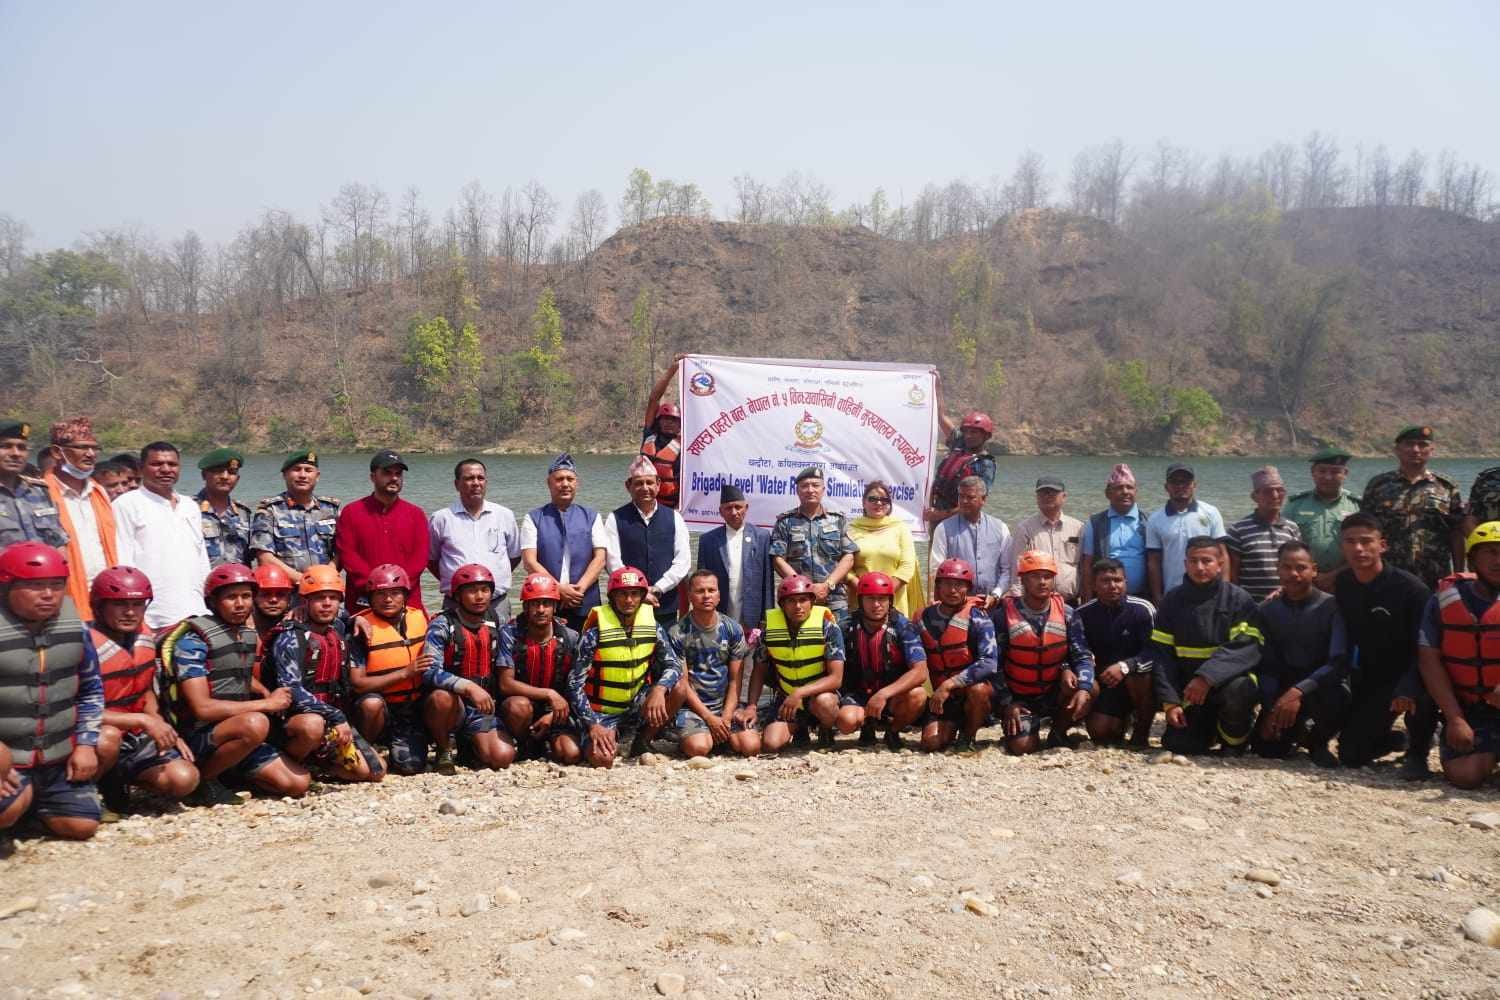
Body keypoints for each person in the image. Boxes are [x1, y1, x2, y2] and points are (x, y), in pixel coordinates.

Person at [159, 563, 310, 804]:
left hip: (233, 730)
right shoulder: (193, 641)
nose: (240, 604)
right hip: (199, 735)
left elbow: (233, 672)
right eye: (231, 597)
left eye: (246, 596)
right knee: (255, 723)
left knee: (298, 783)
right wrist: (266, 704)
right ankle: (204, 781)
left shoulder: (246, 634)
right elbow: (202, 708)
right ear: (213, 602)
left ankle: (230, 772)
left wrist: (262, 691)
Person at [0, 542, 103, 852]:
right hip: (9, 755)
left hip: (56, 754)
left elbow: (91, 689)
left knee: (82, 825)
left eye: (56, 586)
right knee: (6, 811)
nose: (48, 595)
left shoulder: (76, 629)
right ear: (7, 587)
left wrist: (85, 744)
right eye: (35, 586)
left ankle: (35, 805)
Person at [347, 564, 490, 775]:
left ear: (405, 596)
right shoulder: (360, 630)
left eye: (395, 593)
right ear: (370, 597)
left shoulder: (421, 619)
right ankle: (367, 748)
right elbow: (358, 684)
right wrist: (405, 673)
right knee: (370, 704)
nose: (388, 599)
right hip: (385, 707)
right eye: (381, 594)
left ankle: (443, 748)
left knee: (410, 765)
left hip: (415, 707)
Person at [89, 566, 200, 812]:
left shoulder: (144, 637)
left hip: (134, 734)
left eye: (138, 604)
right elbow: (72, 711)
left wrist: (163, 728)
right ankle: (87, 792)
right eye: (119, 604)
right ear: (99, 605)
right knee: (108, 738)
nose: (130, 612)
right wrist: (141, 719)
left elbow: (145, 690)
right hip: (94, 733)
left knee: (185, 779)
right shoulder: (82, 645)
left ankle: (120, 777)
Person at [1333, 512, 1437, 777]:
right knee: (1350, 756)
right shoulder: (1344, 583)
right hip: (1371, 677)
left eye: (1366, 541)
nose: (1358, 548)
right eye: (1350, 541)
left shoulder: (1411, 589)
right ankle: (1395, 740)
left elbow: (1427, 648)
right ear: (1341, 546)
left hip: (1413, 670)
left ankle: (1418, 753)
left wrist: (1409, 685)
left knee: (1424, 691)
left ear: (1383, 545)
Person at [263, 565, 383, 782]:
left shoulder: (337, 625)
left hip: (331, 714)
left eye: (333, 597)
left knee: (375, 771)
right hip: (297, 719)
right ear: (305, 601)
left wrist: (356, 618)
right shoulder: (290, 637)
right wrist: (335, 716)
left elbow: (344, 615)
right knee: (312, 725)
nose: (327, 603)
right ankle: (293, 761)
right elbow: (291, 690)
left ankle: (320, 763)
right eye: (319, 598)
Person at [1150, 536, 1263, 756]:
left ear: (1220, 564)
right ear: (1185, 564)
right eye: (1193, 561)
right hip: (1189, 691)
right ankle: (1207, 730)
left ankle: (1233, 740)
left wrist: (1206, 678)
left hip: (1226, 683)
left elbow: (1245, 647)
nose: (1199, 567)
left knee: (1240, 689)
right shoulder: (1172, 601)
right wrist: (1170, 702)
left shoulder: (1239, 599)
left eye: (1206, 561)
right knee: (1180, 746)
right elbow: (1161, 655)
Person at [568, 566, 686, 767]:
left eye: (634, 594)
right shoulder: (593, 634)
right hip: (601, 711)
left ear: (642, 596)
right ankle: (610, 735)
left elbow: (673, 664)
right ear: (612, 597)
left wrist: (659, 689)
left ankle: (642, 739)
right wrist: (593, 724)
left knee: (680, 688)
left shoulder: (653, 628)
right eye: (622, 594)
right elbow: (574, 685)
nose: (629, 600)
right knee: (602, 760)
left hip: (636, 705)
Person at [1417, 521, 1500, 790]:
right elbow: (1429, 659)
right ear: (1472, 558)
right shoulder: (1443, 600)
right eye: (1490, 552)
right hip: (1470, 705)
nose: (1498, 561)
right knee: (1466, 777)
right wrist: (1455, 718)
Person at [1251, 541, 1349, 767]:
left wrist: (1298, 692)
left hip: (1319, 685)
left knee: (1339, 694)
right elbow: (1266, 663)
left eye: (1301, 567)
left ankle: (1318, 741)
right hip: (1282, 687)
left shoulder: (1332, 607)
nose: (1293, 574)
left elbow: (1338, 661)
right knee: (1267, 749)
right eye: (1286, 567)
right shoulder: (1267, 610)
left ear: (1314, 570)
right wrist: (1270, 708)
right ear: (1277, 569)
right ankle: (1297, 734)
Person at [993, 551, 1095, 754]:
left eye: (1047, 576)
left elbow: (1082, 655)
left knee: (1092, 688)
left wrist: (1083, 687)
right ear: (1022, 579)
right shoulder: (1002, 616)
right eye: (1035, 576)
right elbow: (993, 665)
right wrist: (1008, 703)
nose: (1042, 582)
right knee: (1022, 748)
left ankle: (1058, 732)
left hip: (1053, 691)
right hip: (1018, 695)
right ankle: (1020, 727)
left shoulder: (1067, 614)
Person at [742, 575, 849, 754]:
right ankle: (799, 726)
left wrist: (800, 692)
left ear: (812, 602)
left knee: (826, 703)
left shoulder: (829, 628)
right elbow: (758, 672)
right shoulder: (768, 632)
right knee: (771, 744)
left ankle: (825, 728)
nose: (798, 606)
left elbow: (836, 679)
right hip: (787, 697)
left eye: (803, 600)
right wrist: (752, 706)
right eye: (791, 601)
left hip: (817, 696)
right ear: (782, 605)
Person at [421, 564, 514, 771]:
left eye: (485, 590)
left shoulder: (497, 622)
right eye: (471, 591)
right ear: (458, 595)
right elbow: (429, 670)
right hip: (453, 705)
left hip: (481, 707)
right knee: (440, 697)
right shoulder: (442, 624)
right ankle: (443, 749)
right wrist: (468, 687)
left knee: (502, 757)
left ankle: (468, 745)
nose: (479, 596)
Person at [112, 442, 211, 630]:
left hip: (196, 612)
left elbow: (201, 558)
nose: (165, 469)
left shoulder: (189, 505)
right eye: (156, 464)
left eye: (172, 464)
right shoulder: (126, 505)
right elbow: (122, 562)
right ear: (141, 469)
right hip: (152, 616)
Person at [1360, 425, 1466, 591]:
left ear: (1431, 450)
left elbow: (1456, 533)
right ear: (1397, 450)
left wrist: (1459, 574)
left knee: (1434, 617)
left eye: (1422, 444)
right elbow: (1365, 531)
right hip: (1388, 575)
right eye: (1409, 444)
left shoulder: (1447, 487)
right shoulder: (1378, 485)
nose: (1416, 450)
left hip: (1435, 577)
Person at [668, 569, 759, 758]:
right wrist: (709, 718)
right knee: (699, 748)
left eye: (711, 590)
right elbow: (683, 685)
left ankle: (720, 736)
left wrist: (725, 718)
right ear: (691, 596)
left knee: (751, 747)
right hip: (694, 708)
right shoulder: (678, 633)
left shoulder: (732, 629)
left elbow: (735, 681)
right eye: (700, 591)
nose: (706, 596)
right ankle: (693, 736)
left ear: (719, 595)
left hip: (725, 706)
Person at [497, 572, 583, 764]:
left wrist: (553, 715)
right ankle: (527, 743)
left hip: (556, 709)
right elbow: (505, 684)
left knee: (571, 754)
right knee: (518, 707)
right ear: (526, 607)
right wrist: (549, 694)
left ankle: (548, 738)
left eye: (546, 603)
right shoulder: (510, 634)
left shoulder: (571, 637)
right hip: (522, 705)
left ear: (555, 606)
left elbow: (577, 687)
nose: (541, 609)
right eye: (535, 604)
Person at [838, 571, 928, 750]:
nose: (876, 604)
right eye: (870, 599)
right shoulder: (846, 626)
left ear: (890, 601)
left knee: (918, 695)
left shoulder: (904, 626)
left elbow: (920, 671)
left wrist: (883, 694)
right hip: (859, 692)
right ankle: (867, 725)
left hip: (892, 695)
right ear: (861, 600)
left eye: (882, 599)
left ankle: (893, 730)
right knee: (845, 722)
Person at [917, 558, 999, 752]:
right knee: (932, 744)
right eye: (947, 584)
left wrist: (949, 684)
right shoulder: (923, 617)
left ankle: (968, 736)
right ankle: (951, 725)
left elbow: (989, 662)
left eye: (959, 585)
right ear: (938, 586)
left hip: (968, 693)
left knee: (979, 691)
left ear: (967, 589)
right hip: (942, 699)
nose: (952, 590)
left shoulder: (978, 617)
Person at [41, 417, 117, 621]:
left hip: (107, 598)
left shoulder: (98, 492)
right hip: (65, 602)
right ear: (58, 452)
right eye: (82, 448)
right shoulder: (40, 494)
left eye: (94, 448)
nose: (91, 454)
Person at [520, 454, 607, 632]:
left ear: (577, 483)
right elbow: (529, 561)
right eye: (559, 479)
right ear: (549, 483)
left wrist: (578, 590)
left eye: (570, 479)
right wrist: (558, 589)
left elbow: (600, 559)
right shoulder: (534, 518)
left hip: (585, 600)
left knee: (587, 652)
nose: (565, 484)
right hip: (546, 602)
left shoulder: (592, 516)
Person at [428, 458, 522, 621]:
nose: (476, 483)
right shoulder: (441, 518)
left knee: (500, 645)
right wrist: (458, 583)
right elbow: (431, 559)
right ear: (457, 484)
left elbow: (514, 556)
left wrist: (492, 581)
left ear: (486, 482)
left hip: (496, 603)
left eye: (480, 478)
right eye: (469, 478)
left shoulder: (504, 515)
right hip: (455, 604)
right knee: (456, 646)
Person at [335, 450, 430, 611]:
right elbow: (348, 555)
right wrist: (375, 588)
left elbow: (420, 558)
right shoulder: (351, 512)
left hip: (407, 600)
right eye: (387, 473)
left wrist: (398, 589)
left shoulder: (416, 514)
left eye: (398, 474)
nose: (393, 478)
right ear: (373, 477)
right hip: (363, 602)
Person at [602, 456, 690, 628]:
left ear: (658, 484)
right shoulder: (615, 518)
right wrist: (639, 593)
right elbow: (613, 562)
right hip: (627, 606)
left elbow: (683, 561)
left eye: (649, 483)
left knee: (664, 653)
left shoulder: (674, 518)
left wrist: (658, 589)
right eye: (639, 483)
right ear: (629, 486)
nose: (645, 488)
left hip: (664, 605)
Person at [1079, 557, 1158, 747]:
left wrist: (1126, 666)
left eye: (1118, 580)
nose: (1113, 586)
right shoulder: (1083, 614)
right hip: (1107, 681)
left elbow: (1156, 651)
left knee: (1138, 676)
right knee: (1102, 733)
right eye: (1105, 581)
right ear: (1094, 585)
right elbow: (1079, 651)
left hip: (1140, 681)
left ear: (1126, 582)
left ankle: (1142, 731)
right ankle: (1122, 720)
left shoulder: (1143, 609)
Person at [769, 466, 859, 625]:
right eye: (805, 486)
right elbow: (778, 559)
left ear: (823, 489)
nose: (810, 490)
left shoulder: (838, 520)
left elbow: (849, 557)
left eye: (815, 485)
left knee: (838, 646)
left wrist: (827, 585)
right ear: (797, 491)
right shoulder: (785, 522)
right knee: (803, 647)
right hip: (798, 601)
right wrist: (806, 588)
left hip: (834, 599)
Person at [248, 450, 341, 589]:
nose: (302, 475)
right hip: (286, 593)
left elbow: (342, 551)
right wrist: (305, 582)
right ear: (285, 475)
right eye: (296, 470)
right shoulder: (269, 510)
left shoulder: (331, 509)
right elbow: (264, 558)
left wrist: (327, 576)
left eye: (308, 470)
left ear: (317, 476)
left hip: (325, 590)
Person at [696, 484, 774, 633]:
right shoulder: (708, 540)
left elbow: (767, 582)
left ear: (746, 508)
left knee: (750, 655)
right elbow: (701, 580)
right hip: (719, 615)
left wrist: (766, 618)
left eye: (738, 507)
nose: (734, 512)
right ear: (721, 511)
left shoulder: (762, 537)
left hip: (752, 618)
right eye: (728, 508)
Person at [1145, 463, 1228, 604]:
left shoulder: (1211, 512)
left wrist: (1225, 590)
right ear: (1166, 487)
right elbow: (1154, 561)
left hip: (1209, 591)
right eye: (1175, 482)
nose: (1180, 486)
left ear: (1194, 485)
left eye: (1185, 482)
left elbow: (1222, 554)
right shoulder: (1155, 519)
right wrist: (1157, 595)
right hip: (1173, 593)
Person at [928, 475, 1013, 608]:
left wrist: (996, 594)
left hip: (992, 604)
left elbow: (1007, 569)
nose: (964, 501)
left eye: (970, 497)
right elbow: (936, 569)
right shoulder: (943, 528)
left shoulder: (1000, 528)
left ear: (983, 499)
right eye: (961, 496)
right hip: (955, 605)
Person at [847, 480, 924, 621]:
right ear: (864, 502)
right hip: (860, 599)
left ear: (889, 504)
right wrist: (865, 591)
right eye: (873, 499)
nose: (878, 503)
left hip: (894, 600)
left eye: (884, 500)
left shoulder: (900, 528)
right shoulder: (851, 530)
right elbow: (845, 567)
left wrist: (885, 594)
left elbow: (907, 565)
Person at [1284, 447, 1360, 583]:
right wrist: (1310, 575)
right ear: (1313, 473)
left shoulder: (1358, 506)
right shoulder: (1295, 505)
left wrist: (1334, 575)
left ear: (1345, 473)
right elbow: (1285, 544)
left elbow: (1364, 547)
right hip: (1303, 580)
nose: (1328, 477)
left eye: (1335, 471)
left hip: (1348, 578)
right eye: (1322, 471)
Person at [1225, 466, 1302, 602]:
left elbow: (1298, 567)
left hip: (1288, 601)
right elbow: (1233, 575)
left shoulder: (1292, 528)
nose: (1275, 496)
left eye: (1280, 490)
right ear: (1255, 496)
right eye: (1268, 491)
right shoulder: (1238, 530)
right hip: (1251, 605)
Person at [924, 389, 996, 530]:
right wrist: (937, 385)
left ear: (986, 436)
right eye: (966, 432)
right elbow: (940, 416)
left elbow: (976, 501)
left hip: (961, 524)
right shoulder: (960, 444)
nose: (969, 436)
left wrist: (940, 515)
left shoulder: (985, 464)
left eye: (974, 432)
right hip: (937, 519)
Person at [1080, 464, 1151, 602]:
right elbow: (1087, 564)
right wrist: (1087, 601)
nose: (1125, 492)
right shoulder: (1095, 523)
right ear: (1108, 494)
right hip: (1104, 599)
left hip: (1143, 596)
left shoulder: (1149, 522)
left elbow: (1155, 561)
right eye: (1119, 488)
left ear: (1136, 491)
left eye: (1129, 487)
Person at [1008, 477, 1083, 604]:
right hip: (1035, 603)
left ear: (1064, 496)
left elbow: (1084, 566)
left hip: (1071, 602)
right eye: (1043, 492)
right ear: (1036, 497)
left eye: (1052, 492)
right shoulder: (1024, 529)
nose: (1047, 496)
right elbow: (1017, 568)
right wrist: (1017, 601)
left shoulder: (1079, 528)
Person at [0, 419, 67, 553]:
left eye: (22, 447)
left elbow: (59, 542)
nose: (16, 453)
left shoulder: (39, 492)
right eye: (6, 446)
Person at [194, 448, 254, 568]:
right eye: (218, 471)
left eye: (232, 472)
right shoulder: (188, 509)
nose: (225, 477)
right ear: (204, 475)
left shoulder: (243, 513)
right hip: (202, 584)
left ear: (237, 479)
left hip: (238, 583)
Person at [640, 354, 685, 509]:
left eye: (674, 421)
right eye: (665, 419)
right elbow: (654, 399)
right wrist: (673, 369)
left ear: (680, 425)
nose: (669, 423)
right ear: (659, 421)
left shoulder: (685, 446)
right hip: (644, 504)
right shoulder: (649, 435)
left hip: (670, 508)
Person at [250, 562, 295, 638]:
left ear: (289, 598)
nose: (273, 600)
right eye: (265, 594)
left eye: (280, 594)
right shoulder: (239, 631)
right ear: (253, 597)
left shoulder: (299, 630)